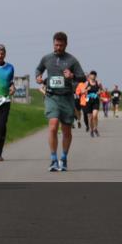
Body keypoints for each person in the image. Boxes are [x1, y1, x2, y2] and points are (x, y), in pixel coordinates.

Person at [35, 32, 86, 172]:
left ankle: (63, 158)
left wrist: (72, 75)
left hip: (67, 98)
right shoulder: (47, 58)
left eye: (61, 45)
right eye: (56, 44)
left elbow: (83, 78)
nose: (58, 47)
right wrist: (38, 76)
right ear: (53, 43)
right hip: (52, 96)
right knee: (52, 126)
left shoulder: (72, 60)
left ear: (66, 44)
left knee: (66, 130)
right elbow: (39, 69)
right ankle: (53, 159)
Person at [84, 71, 104, 137]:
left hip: (95, 101)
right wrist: (87, 90)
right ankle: (91, 130)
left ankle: (95, 128)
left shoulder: (98, 83)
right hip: (88, 101)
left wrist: (99, 92)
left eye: (94, 75)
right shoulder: (87, 83)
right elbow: (82, 91)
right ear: (90, 76)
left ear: (96, 76)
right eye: (92, 75)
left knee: (95, 115)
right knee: (90, 118)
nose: (93, 76)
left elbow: (102, 90)